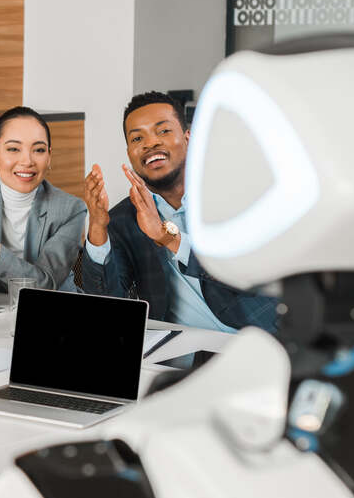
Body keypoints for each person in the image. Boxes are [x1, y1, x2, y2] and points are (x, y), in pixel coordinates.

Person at [80, 91, 278, 332]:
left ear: (188, 137)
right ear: (129, 154)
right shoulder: (122, 218)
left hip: (254, 337)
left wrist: (166, 236)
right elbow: (106, 304)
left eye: (163, 131)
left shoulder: (234, 193)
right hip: (179, 352)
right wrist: (98, 228)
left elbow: (244, 274)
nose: (150, 143)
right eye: (137, 139)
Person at [0, 106, 87, 294]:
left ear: (49, 157)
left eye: (38, 150)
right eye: (13, 149)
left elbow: (45, 284)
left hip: (55, 310)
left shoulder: (71, 209)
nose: (27, 161)